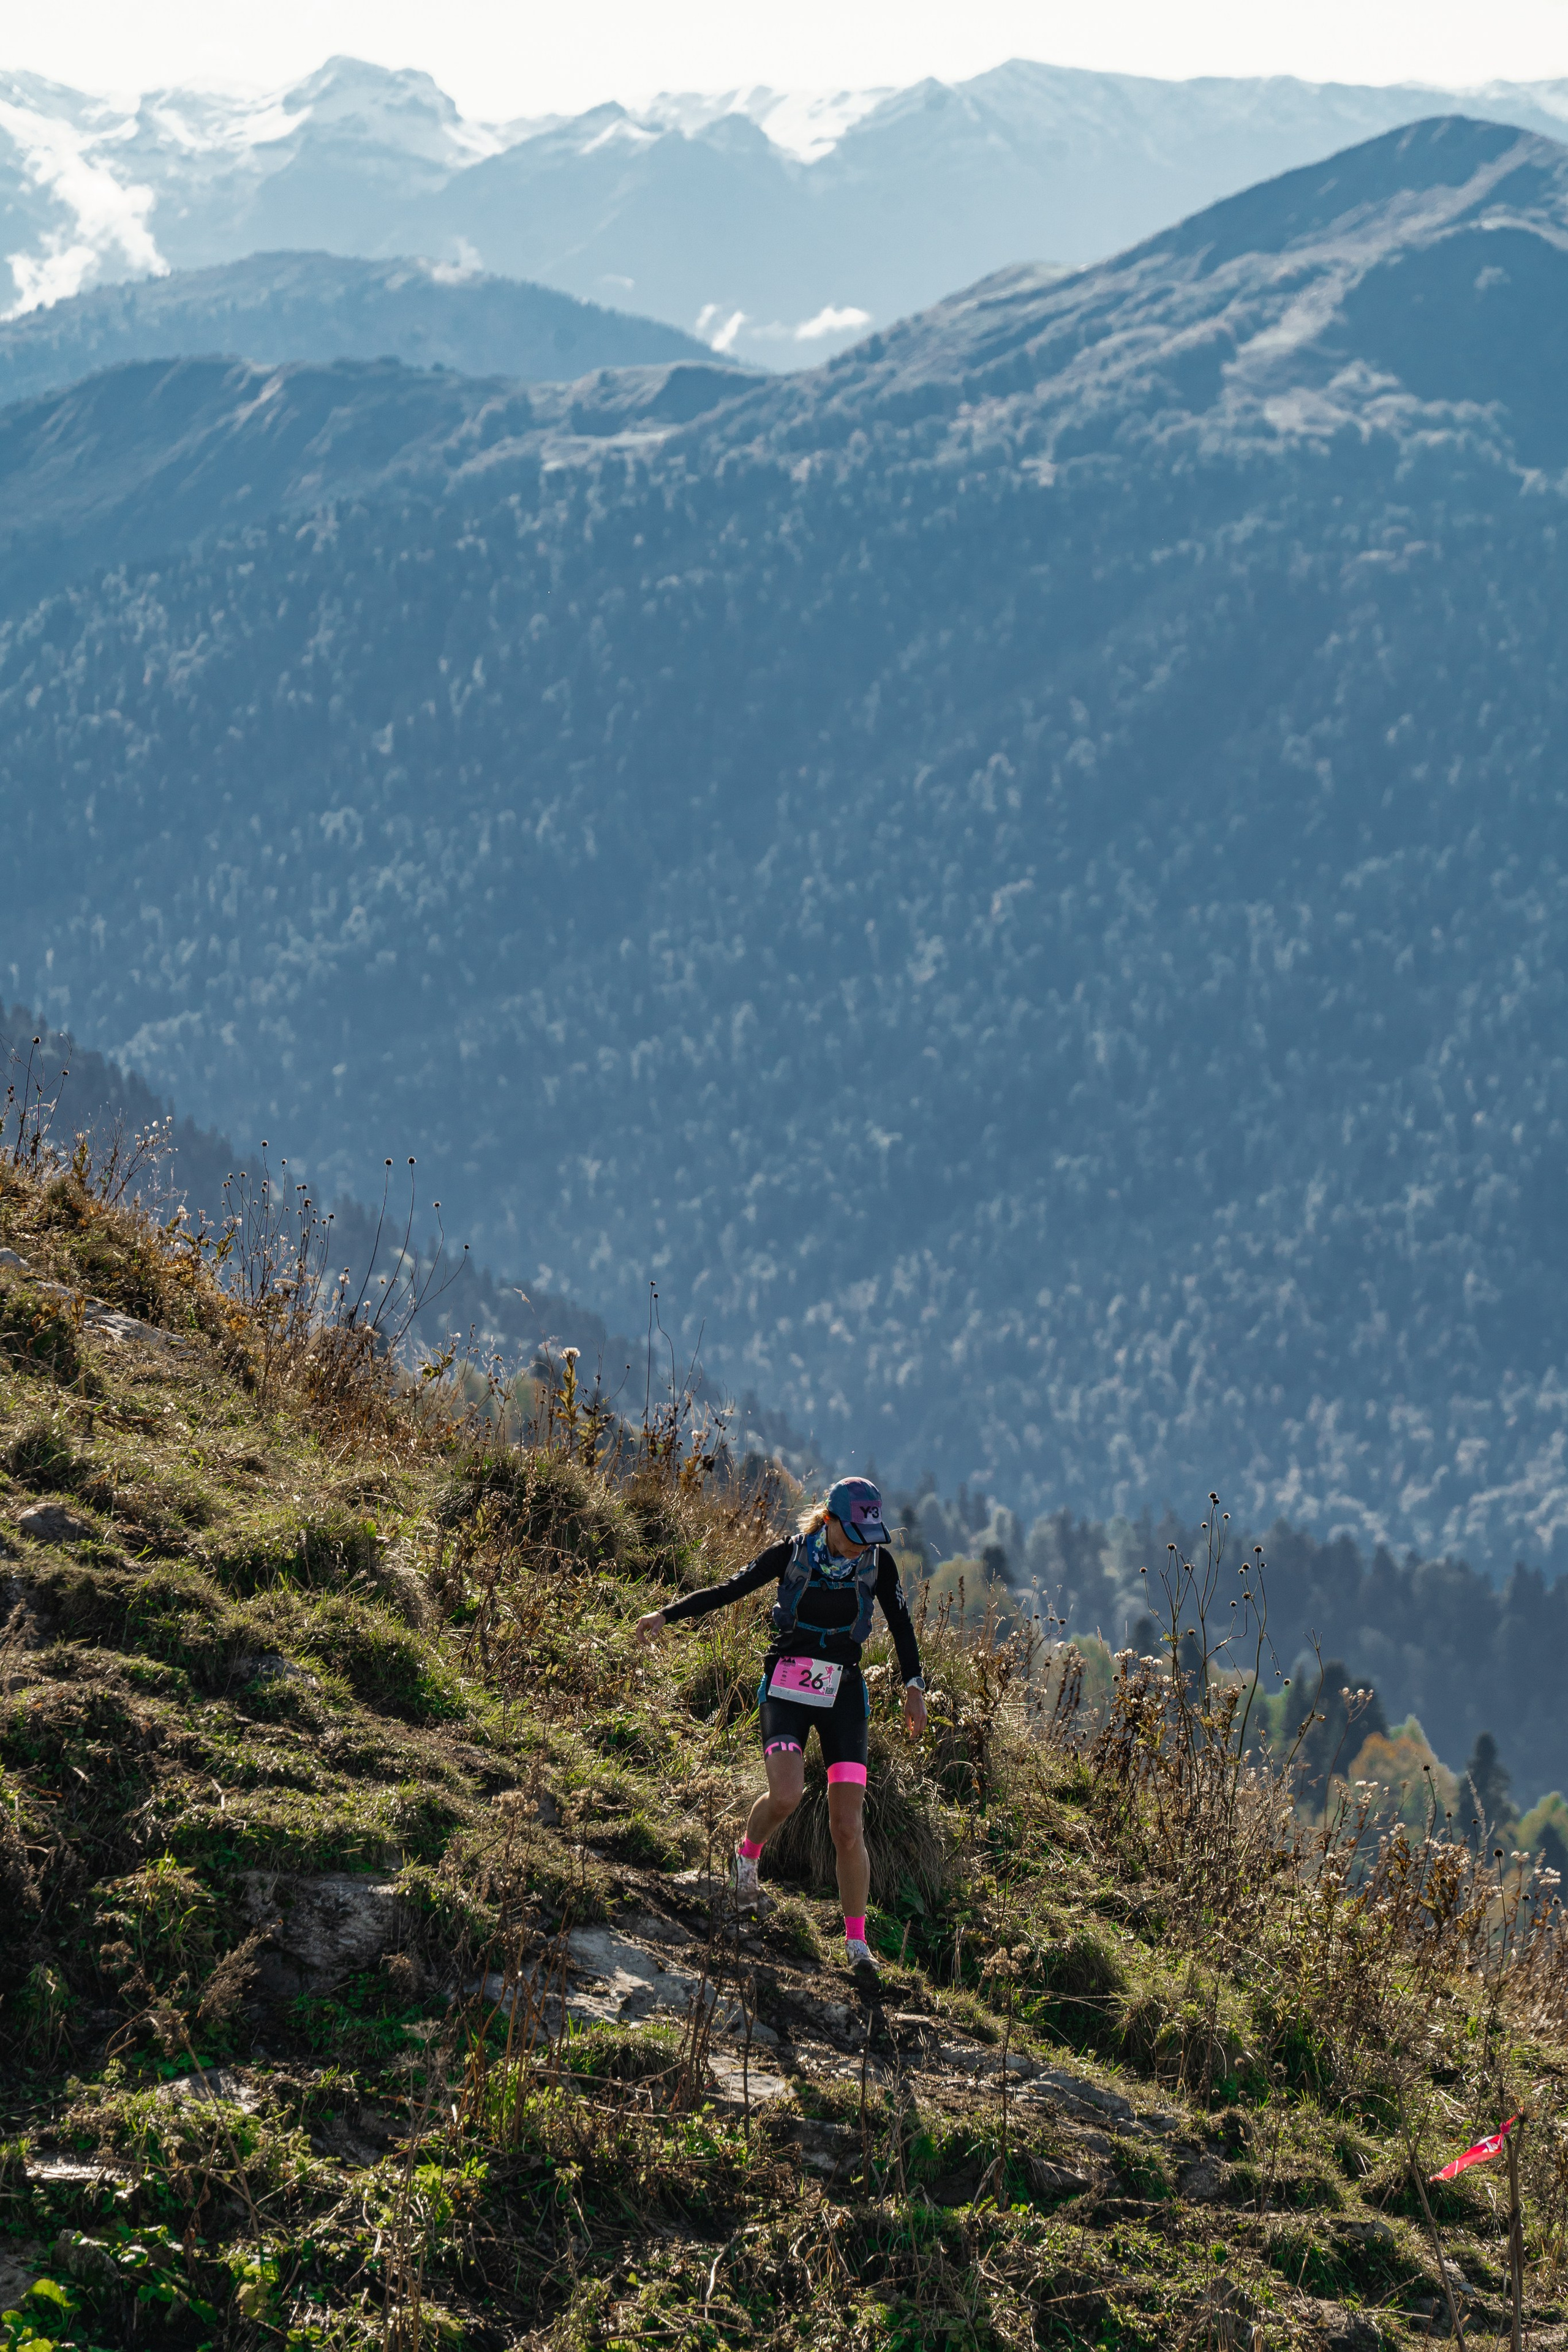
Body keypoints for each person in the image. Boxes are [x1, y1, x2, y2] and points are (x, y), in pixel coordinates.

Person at [635, 1474, 927, 1988]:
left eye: (870, 1536)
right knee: (787, 1795)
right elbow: (730, 1590)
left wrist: (914, 1687)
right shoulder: (791, 1555)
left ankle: (856, 1943)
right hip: (788, 1686)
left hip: (843, 1695)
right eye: (855, 1534)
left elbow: (901, 1624)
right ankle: (747, 1857)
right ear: (831, 1521)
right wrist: (667, 1615)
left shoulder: (877, 1564)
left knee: (847, 1826)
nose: (863, 1545)